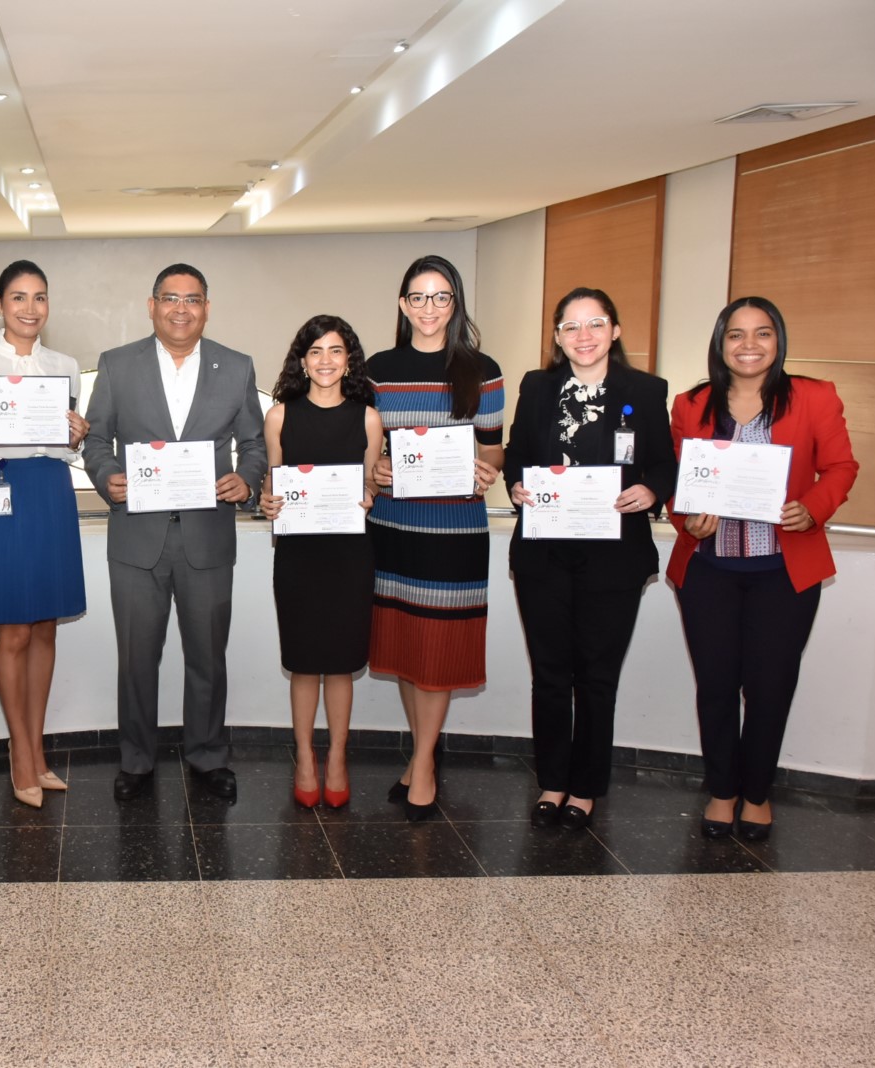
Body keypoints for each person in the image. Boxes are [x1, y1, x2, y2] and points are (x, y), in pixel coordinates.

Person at [667, 297, 857, 841]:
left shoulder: (814, 397)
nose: (749, 345)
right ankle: (722, 792)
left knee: (770, 686)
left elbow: (842, 466)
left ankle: (757, 794)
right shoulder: (691, 404)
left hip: (783, 570)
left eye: (763, 333)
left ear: (779, 341)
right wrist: (689, 522)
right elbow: (683, 485)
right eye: (736, 334)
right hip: (710, 569)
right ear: (720, 343)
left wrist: (813, 508)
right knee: (717, 685)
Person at [82, 264, 267, 802]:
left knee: (208, 656)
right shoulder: (117, 366)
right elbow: (95, 441)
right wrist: (104, 476)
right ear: (151, 305)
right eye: (170, 298)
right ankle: (136, 761)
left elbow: (254, 444)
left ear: (207, 308)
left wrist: (247, 478)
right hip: (136, 540)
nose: (181, 309)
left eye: (192, 299)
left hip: (207, 539)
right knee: (137, 658)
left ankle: (208, 756)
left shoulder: (235, 368)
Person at [504, 289, 676, 831]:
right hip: (545, 553)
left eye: (595, 324)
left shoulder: (645, 391)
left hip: (613, 558)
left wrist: (651, 491)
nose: (583, 336)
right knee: (551, 674)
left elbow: (664, 464)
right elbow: (517, 453)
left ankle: (586, 789)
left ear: (615, 330)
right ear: (556, 337)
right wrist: (515, 485)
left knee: (597, 677)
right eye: (571, 327)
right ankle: (553, 783)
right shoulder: (537, 387)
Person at [0, 261, 89, 808]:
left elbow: (67, 445)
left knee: (46, 629)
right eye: (18, 298)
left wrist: (78, 436)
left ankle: (38, 750)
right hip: (2, 494)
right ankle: (20, 753)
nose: (30, 309)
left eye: (39, 298)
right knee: (14, 633)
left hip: (52, 491)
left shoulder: (66, 366)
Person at [367, 254, 504, 821]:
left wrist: (485, 468)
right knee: (405, 647)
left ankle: (423, 761)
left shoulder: (484, 370)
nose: (429, 308)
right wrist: (374, 468)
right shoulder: (377, 369)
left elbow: (493, 450)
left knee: (439, 652)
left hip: (454, 531)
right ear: (403, 305)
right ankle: (418, 756)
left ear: (455, 304)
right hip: (394, 530)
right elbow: (367, 448)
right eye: (418, 298)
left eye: (440, 297)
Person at [258, 315, 383, 809]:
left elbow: (371, 482)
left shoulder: (368, 417)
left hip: (349, 555)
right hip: (299, 555)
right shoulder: (280, 416)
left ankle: (337, 758)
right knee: (305, 663)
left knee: (342, 664)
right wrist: (268, 503)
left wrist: (370, 494)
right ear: (302, 360)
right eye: (316, 351)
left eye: (335, 351)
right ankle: (306, 758)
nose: (326, 361)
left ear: (348, 359)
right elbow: (273, 483)